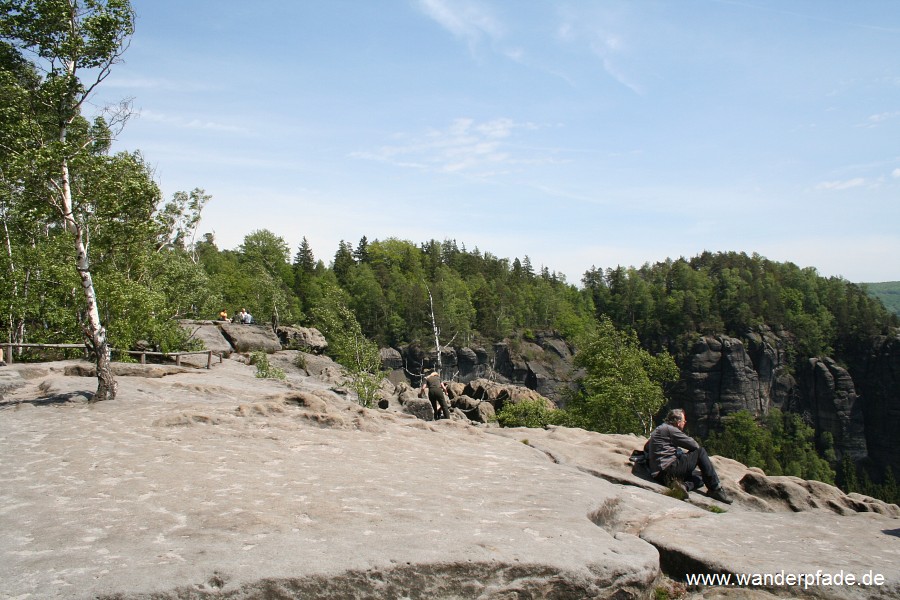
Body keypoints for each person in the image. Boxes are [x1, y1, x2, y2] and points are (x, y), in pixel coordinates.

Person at [648, 408, 732, 504]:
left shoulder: (660, 428)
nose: (685, 423)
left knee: (704, 476)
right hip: (666, 470)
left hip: (659, 474)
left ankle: (683, 486)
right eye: (684, 421)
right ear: (678, 422)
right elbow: (695, 446)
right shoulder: (670, 430)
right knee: (701, 452)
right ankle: (716, 490)